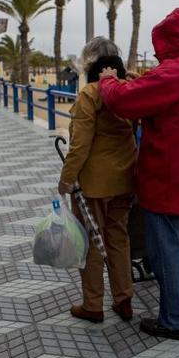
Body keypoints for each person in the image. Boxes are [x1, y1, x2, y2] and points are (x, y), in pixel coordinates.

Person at [98, 8, 179, 340]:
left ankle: (173, 319)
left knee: (165, 249)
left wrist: (108, 81)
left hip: (169, 178)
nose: (157, 52)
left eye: (160, 44)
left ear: (170, 39)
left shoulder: (174, 72)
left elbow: (124, 101)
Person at [58, 37, 137, 323]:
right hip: (125, 179)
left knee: (90, 243)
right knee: (118, 238)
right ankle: (124, 297)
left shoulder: (89, 94)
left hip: (93, 185)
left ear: (89, 63)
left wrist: (65, 180)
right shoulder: (126, 90)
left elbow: (79, 146)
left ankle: (93, 304)